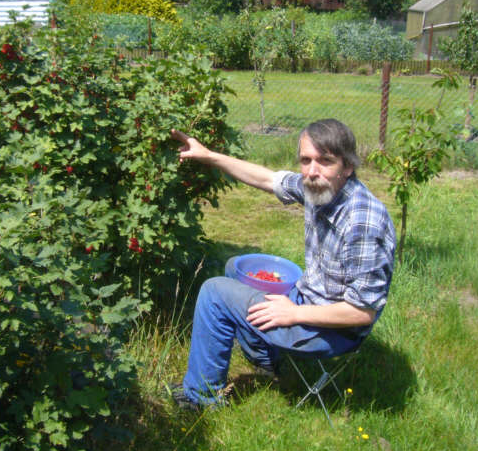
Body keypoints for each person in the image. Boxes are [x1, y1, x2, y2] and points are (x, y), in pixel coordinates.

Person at [169, 119, 396, 410]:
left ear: (347, 166)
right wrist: (210, 156)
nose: (312, 171)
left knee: (215, 292)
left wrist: (294, 312)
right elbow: (267, 179)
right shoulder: (319, 188)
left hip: (334, 331)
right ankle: (267, 360)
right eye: (306, 160)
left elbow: (363, 312)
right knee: (235, 267)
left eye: (325, 161)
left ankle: (200, 398)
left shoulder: (363, 222)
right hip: (310, 298)